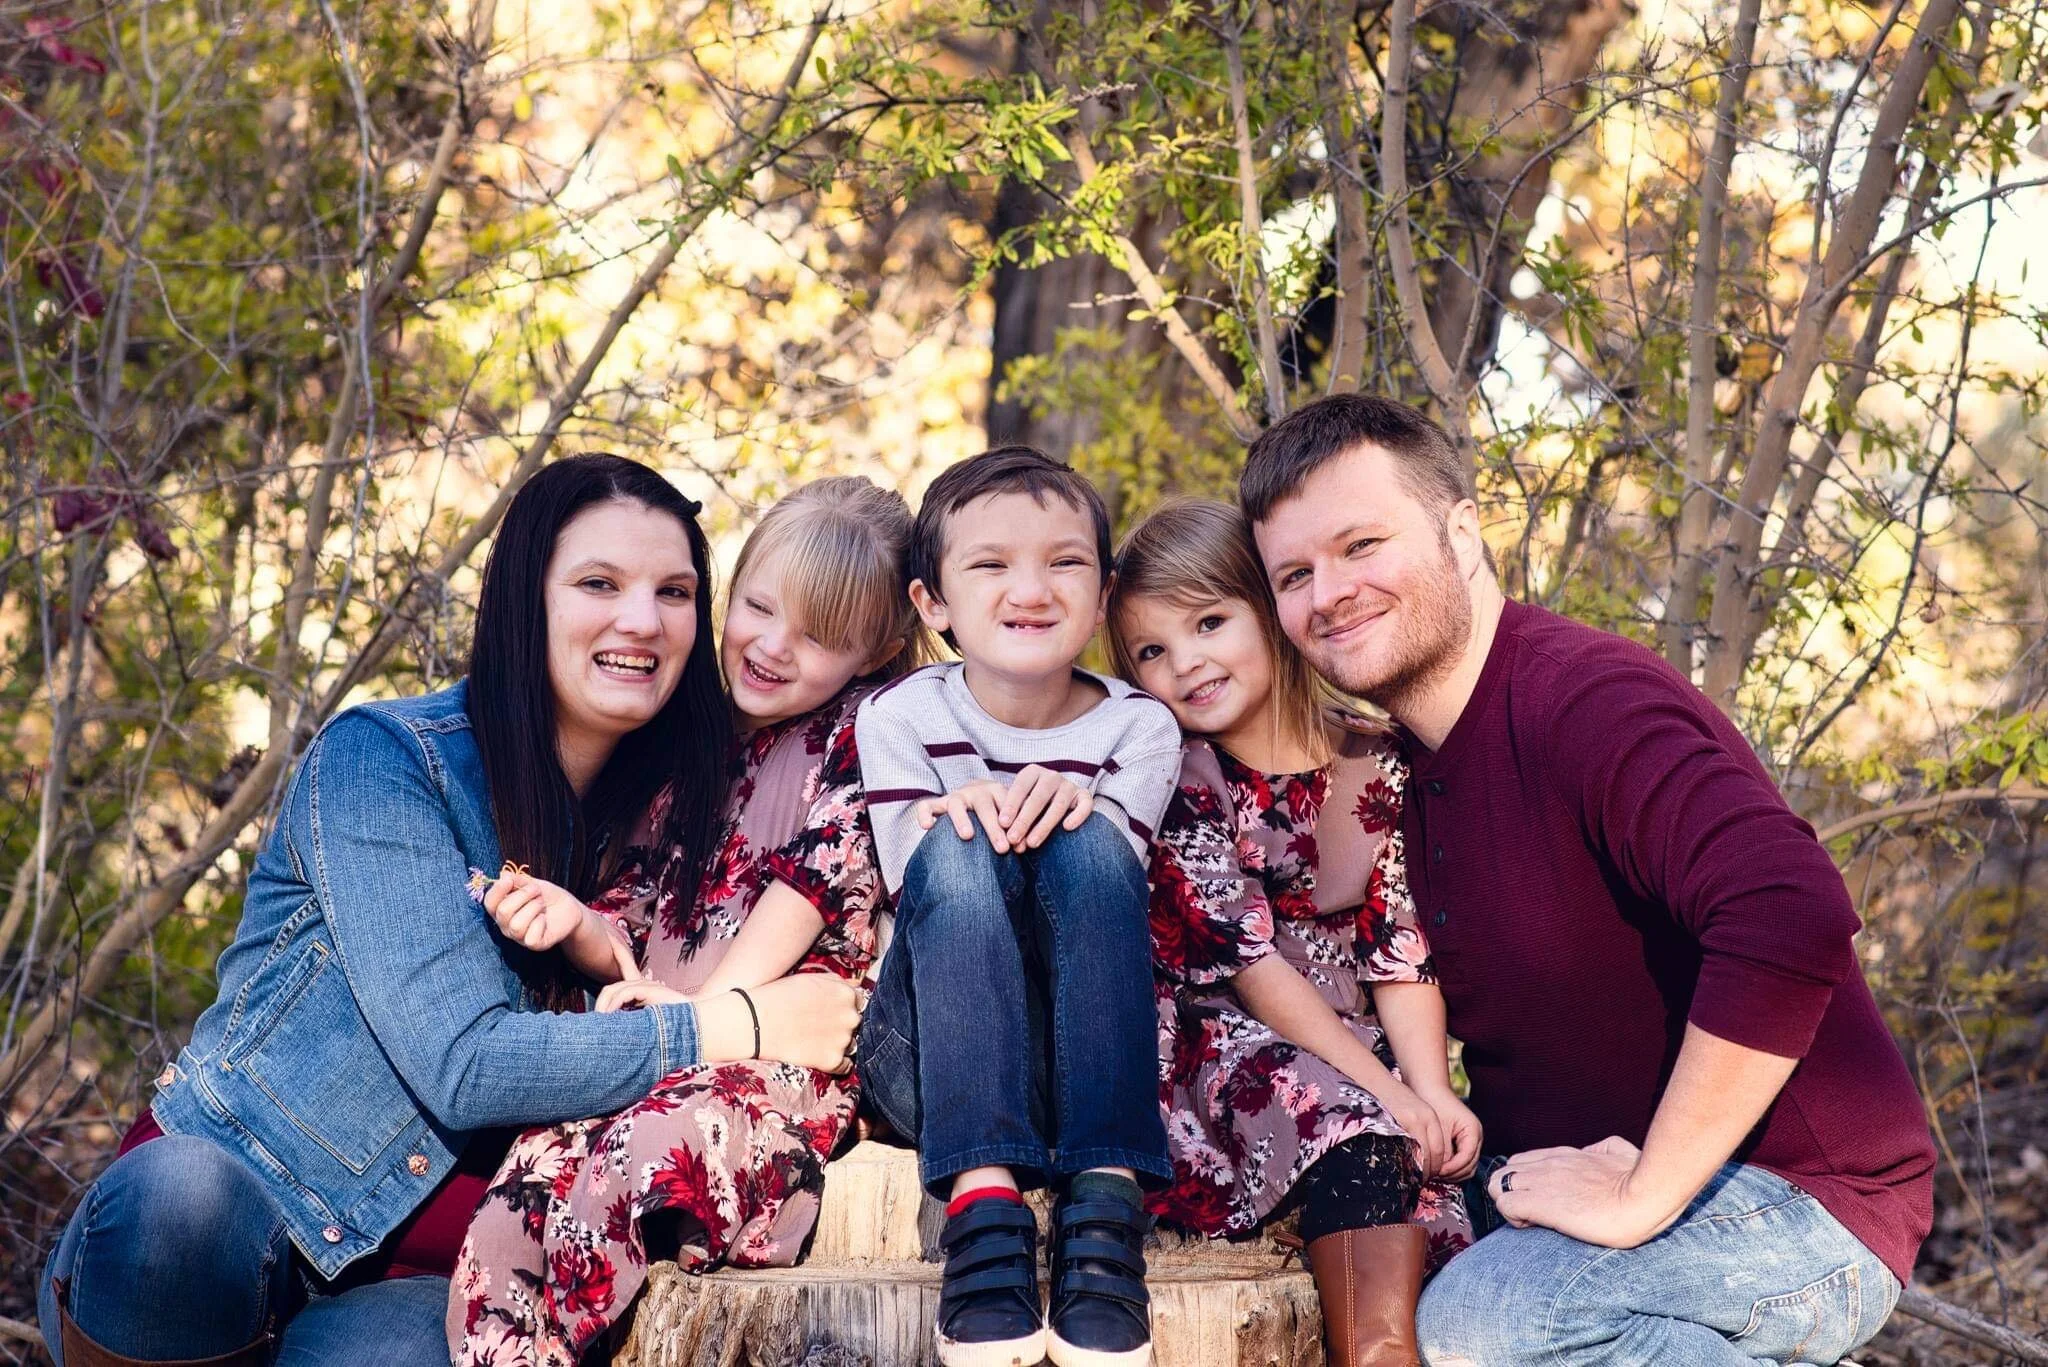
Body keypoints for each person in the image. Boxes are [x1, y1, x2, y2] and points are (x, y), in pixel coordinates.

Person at [37, 454, 861, 1367]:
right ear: (525, 599)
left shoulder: (683, 814)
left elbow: (867, 790)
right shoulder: (386, 764)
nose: (643, 618)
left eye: (674, 591)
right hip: (234, 1233)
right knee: (180, 1198)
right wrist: (732, 1025)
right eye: (599, 582)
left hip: (420, 1287)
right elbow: (466, 1064)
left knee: (427, 1354)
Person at [1239, 394, 1937, 1367]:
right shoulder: (1392, 770)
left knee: (1490, 1317)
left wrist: (1649, 1183)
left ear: (1460, 530)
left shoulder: (1584, 701)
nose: (1329, 592)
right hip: (1571, 1190)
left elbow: (1790, 913)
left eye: (1361, 543)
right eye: (1294, 574)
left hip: (1795, 1191)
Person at [449, 476, 921, 1364]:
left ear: (879, 647)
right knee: (526, 1185)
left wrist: (691, 1021)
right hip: (665, 1040)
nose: (773, 646)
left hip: (776, 1060)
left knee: (639, 1161)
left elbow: (811, 893)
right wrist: (580, 926)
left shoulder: (869, 730)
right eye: (757, 607)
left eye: (818, 635)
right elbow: (637, 915)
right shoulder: (691, 739)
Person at [1106, 498, 1474, 1367]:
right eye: (1151, 651)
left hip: (1363, 1045)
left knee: (1433, 1196)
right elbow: (1250, 964)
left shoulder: (1377, 754)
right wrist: (1385, 1096)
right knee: (1358, 1131)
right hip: (1227, 1041)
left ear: (1268, 611)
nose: (1186, 662)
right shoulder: (1181, 775)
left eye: (1208, 621)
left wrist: (1428, 1086)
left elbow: (1401, 944)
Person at [854, 446, 1182, 1367]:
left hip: (1086, 1062)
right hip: (931, 1058)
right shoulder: (899, 718)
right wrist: (955, 818)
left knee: (1086, 840)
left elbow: (1101, 896)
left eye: (1064, 562)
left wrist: (1071, 807)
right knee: (954, 847)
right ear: (934, 603)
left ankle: (1106, 1203)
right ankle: (985, 1212)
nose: (1030, 588)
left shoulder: (1138, 727)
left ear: (1106, 590)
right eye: (991, 564)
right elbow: (911, 896)